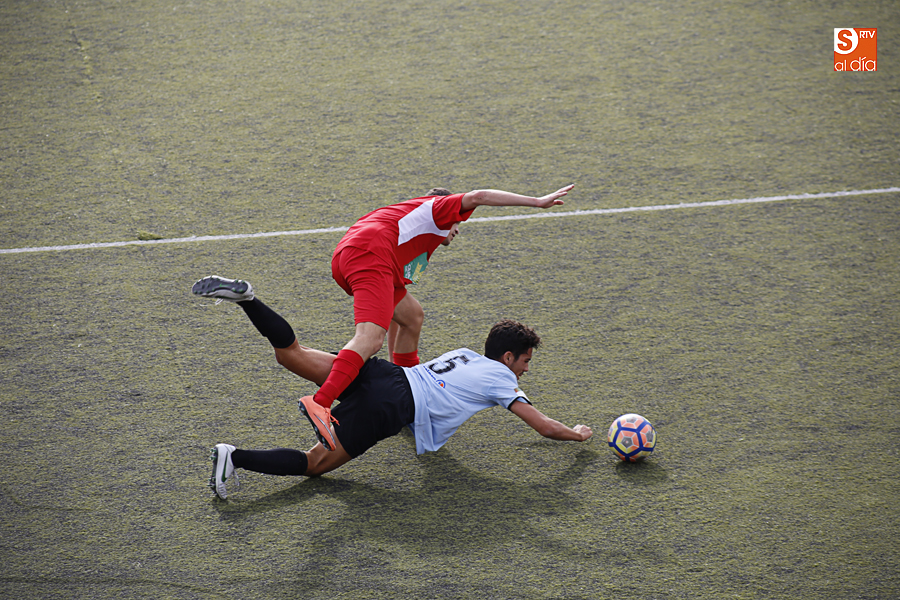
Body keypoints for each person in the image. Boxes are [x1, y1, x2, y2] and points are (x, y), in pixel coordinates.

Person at [191, 276, 593, 500]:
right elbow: (542, 426)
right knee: (314, 466)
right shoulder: (502, 377)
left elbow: (421, 371)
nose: (525, 371)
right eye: (525, 361)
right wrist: (576, 434)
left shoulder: (466, 353)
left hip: (378, 373)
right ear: (508, 357)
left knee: (291, 354)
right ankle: (234, 457)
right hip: (389, 404)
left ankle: (249, 300)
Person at [298, 183, 575, 452]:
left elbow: (400, 301)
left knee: (412, 315)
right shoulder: (437, 208)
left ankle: (407, 385)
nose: (457, 230)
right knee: (370, 339)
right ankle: (321, 403)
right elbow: (480, 195)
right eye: (457, 224)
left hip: (355, 257)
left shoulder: (417, 237)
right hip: (369, 255)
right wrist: (537, 201)